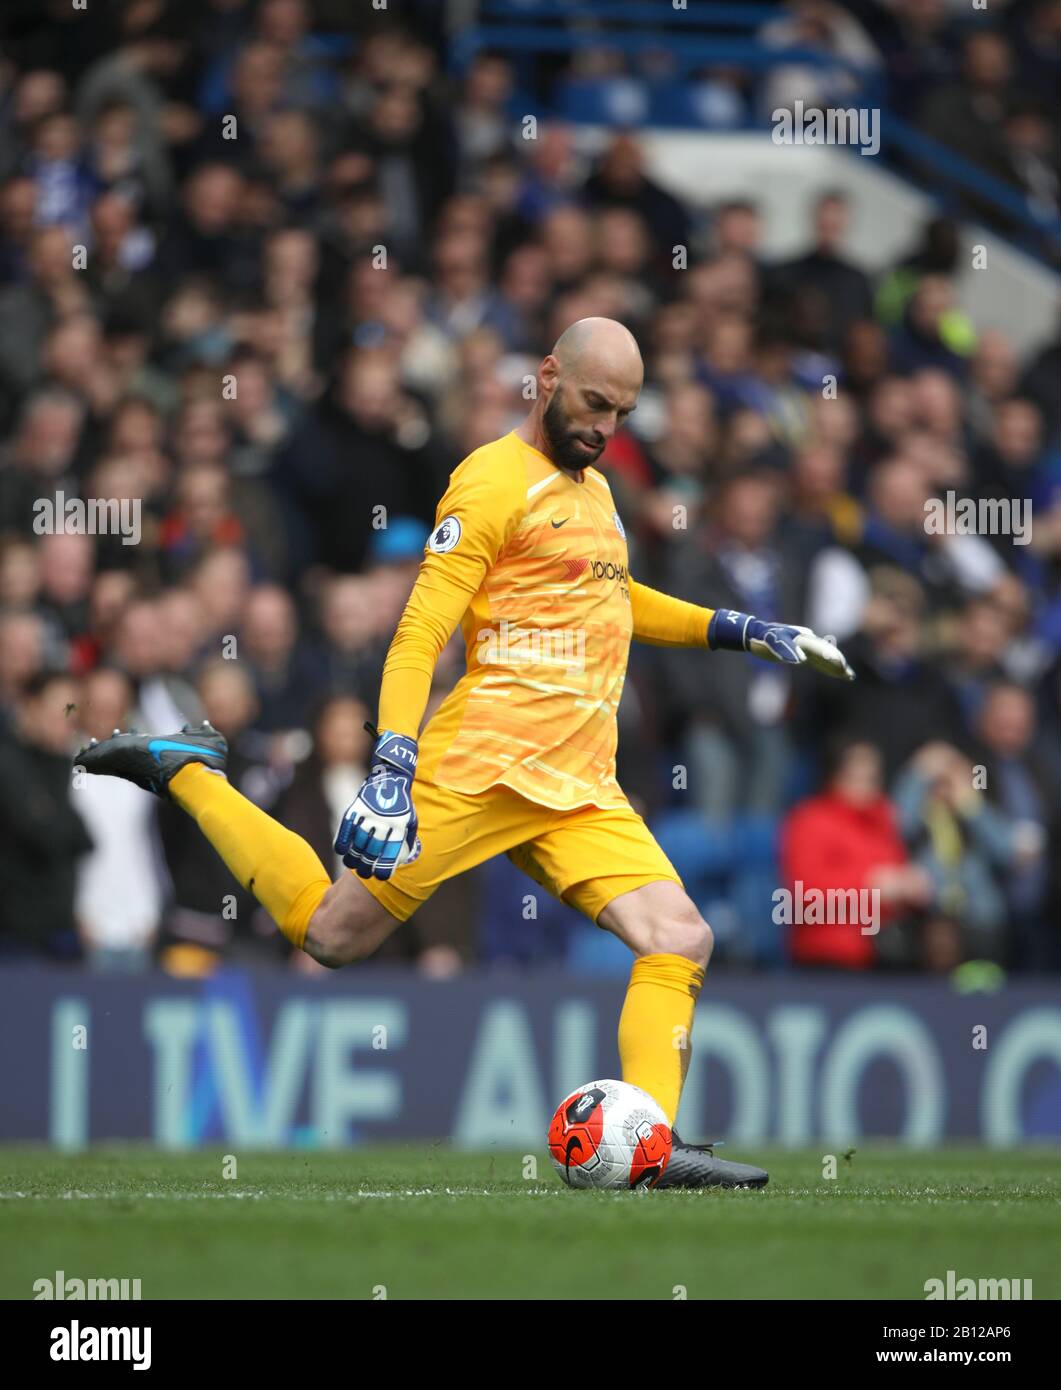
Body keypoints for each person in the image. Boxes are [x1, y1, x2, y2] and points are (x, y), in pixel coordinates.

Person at [76, 318, 856, 1188]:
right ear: (548, 376)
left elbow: (613, 597)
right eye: (595, 403)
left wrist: (741, 629)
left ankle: (652, 1142)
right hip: (478, 766)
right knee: (330, 936)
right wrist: (391, 766)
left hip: (577, 782)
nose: (605, 427)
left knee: (680, 934)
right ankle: (188, 772)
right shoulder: (489, 480)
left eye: (624, 414)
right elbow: (418, 632)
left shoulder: (593, 492)